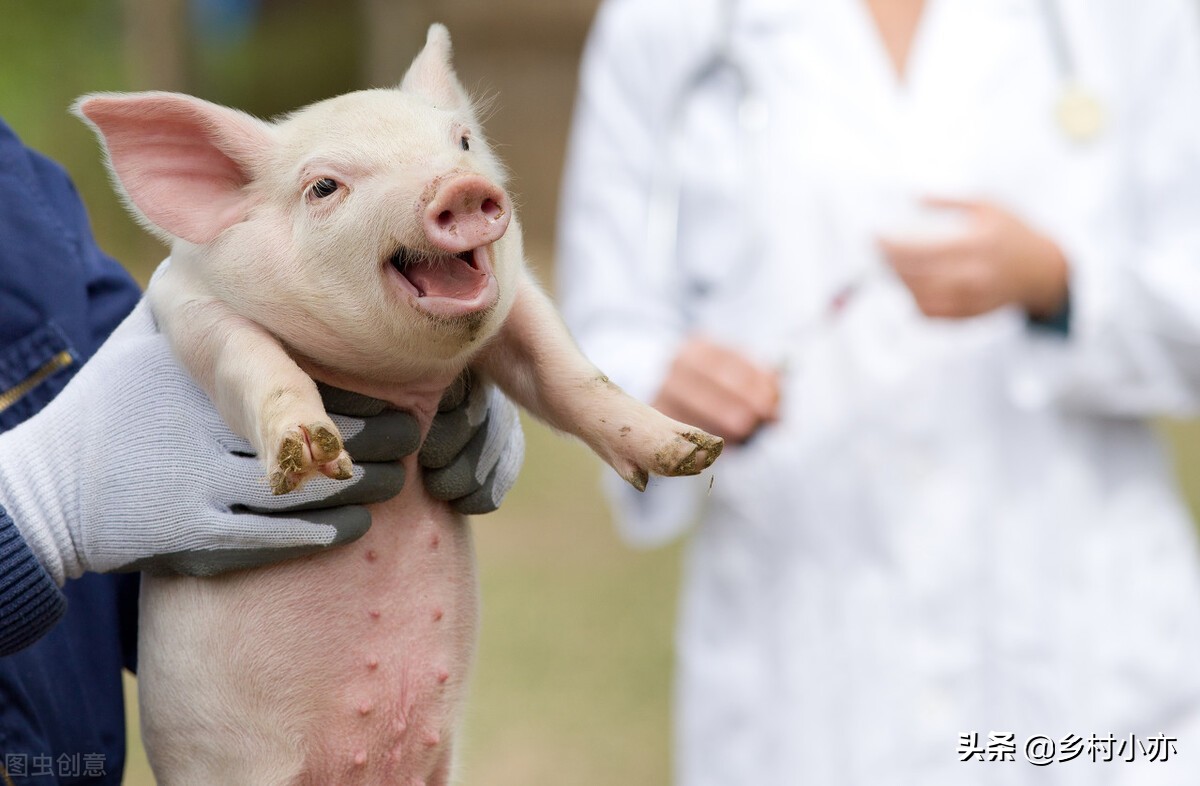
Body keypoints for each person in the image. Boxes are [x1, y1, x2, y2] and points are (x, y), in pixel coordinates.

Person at [557, 0, 1200, 783]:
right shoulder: (670, 20)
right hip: (800, 668)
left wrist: (1059, 286)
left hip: (1090, 674)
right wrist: (659, 390)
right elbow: (602, 336)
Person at [0, 116, 521, 784]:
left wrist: (415, 363)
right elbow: (88, 484)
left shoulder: (18, 187)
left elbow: (159, 488)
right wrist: (34, 504)